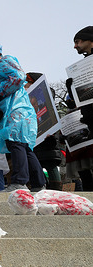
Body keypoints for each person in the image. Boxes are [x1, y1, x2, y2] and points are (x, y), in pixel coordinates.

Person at [0, 43, 46, 192]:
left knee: (16, 145)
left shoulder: (3, 63)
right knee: (23, 148)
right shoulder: (2, 67)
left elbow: (19, 76)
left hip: (15, 113)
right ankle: (38, 184)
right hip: (17, 113)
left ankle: (19, 182)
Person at [64, 26, 93, 191]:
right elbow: (78, 101)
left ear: (90, 40)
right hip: (89, 119)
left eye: (78, 41)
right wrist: (72, 90)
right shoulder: (84, 64)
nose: (75, 46)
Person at [25, 72, 63, 190]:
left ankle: (57, 190)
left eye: (28, 83)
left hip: (48, 138)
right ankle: (42, 188)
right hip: (35, 139)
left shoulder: (46, 96)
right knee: (37, 165)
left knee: (50, 164)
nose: (25, 85)